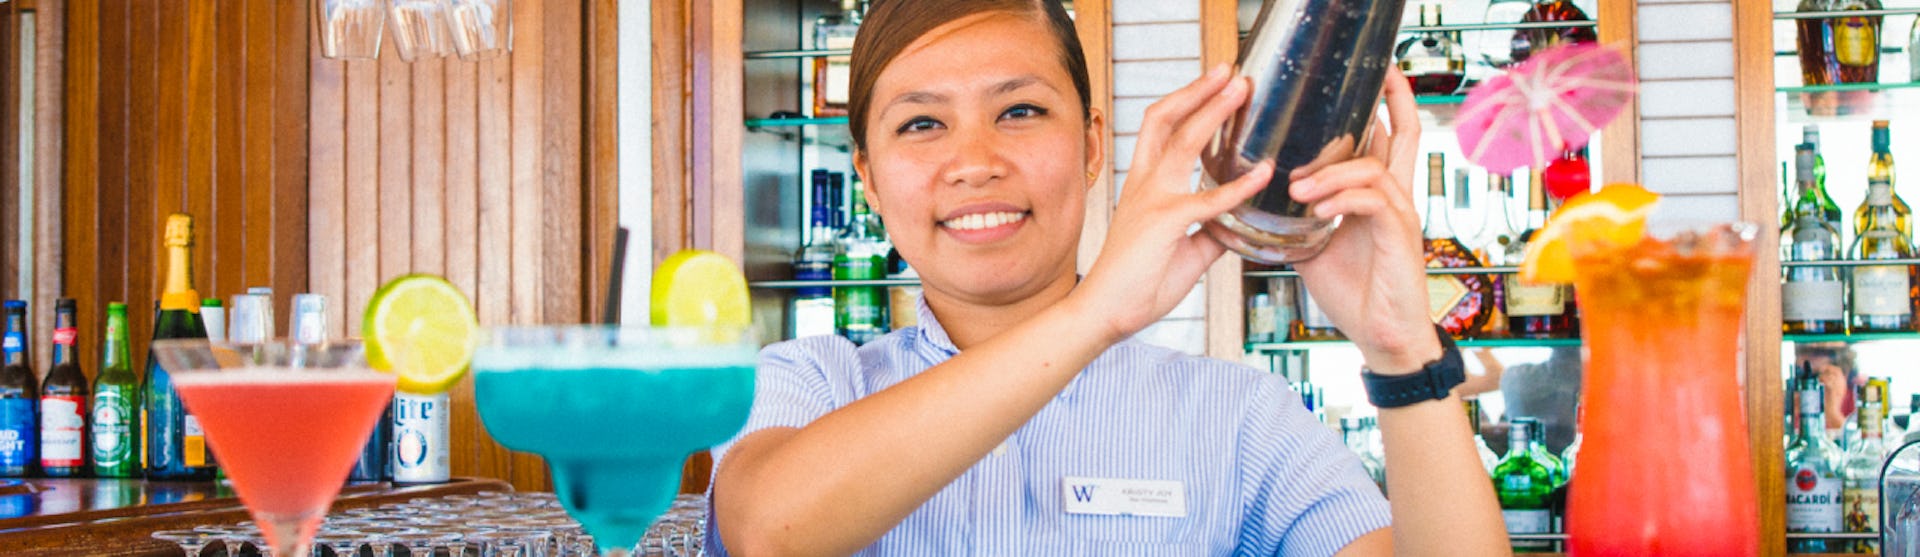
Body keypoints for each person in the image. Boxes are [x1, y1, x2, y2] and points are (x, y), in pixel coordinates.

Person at [706, 1, 1508, 555]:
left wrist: (1400, 348)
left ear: (1092, 146)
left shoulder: (1238, 420)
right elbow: (772, 533)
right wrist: (1097, 313)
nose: (976, 162)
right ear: (870, 180)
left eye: (1019, 110)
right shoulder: (809, 383)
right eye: (921, 124)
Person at [1464, 347, 1581, 454]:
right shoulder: (1519, 378)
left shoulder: (1519, 377)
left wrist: (1475, 347)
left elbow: (1495, 376)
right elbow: (1494, 377)